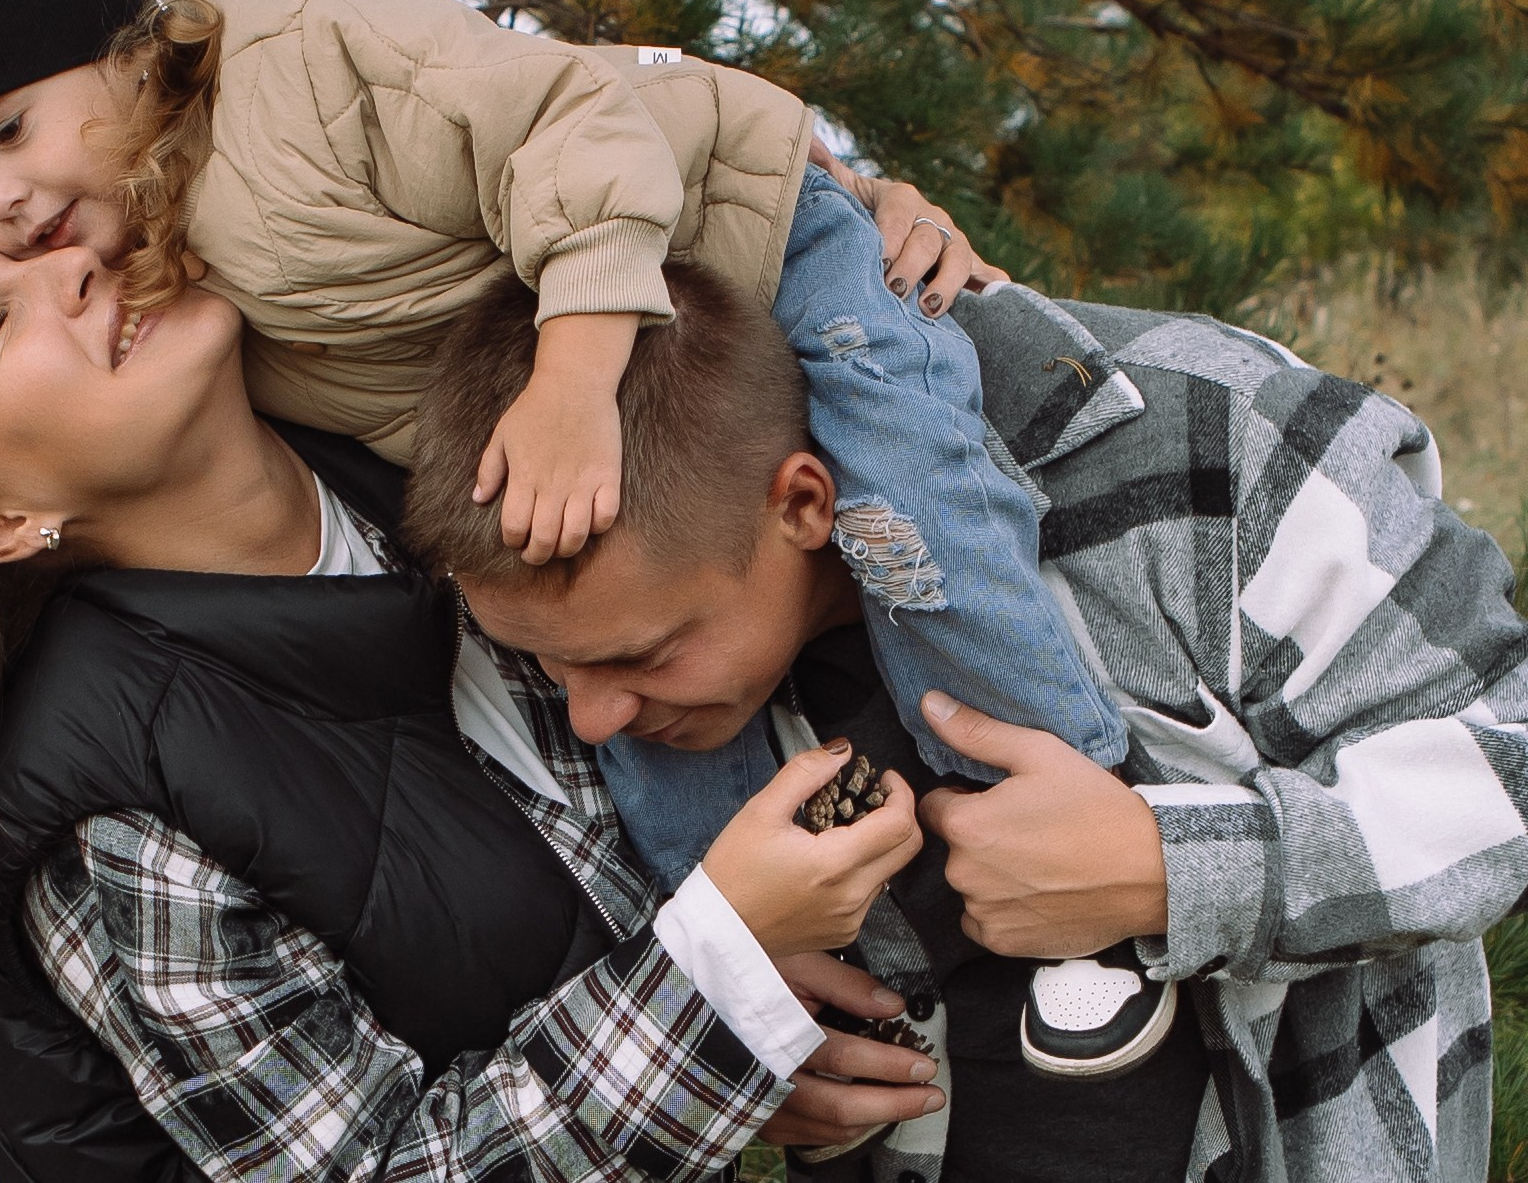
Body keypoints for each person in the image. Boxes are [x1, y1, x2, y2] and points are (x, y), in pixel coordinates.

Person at [0, 0, 1160, 1064]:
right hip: (618, 331)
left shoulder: (300, 73)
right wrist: (720, 1009)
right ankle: (822, 960)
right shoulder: (125, 772)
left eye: (5, 131)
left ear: (121, 45)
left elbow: (581, 117)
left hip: (712, 254)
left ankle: (1061, 812)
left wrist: (813, 212)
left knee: (908, 505)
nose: (7, 211)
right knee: (642, 728)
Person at [0, 228, 940, 1183]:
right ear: (0, 525)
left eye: (33, 243)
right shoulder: (113, 811)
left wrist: (860, 219)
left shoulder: (415, 451)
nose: (71, 260)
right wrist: (713, 991)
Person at [404, 263, 1528, 1181]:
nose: (591, 720)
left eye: (640, 656)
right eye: (552, 670)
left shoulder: (1210, 438)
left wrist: (1168, 870)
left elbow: (1504, 762)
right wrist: (736, 1057)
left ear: (805, 502)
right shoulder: (553, 640)